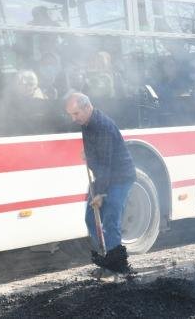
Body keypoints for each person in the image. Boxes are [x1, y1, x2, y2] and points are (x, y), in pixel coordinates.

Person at [64, 92, 136, 275]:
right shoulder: (86, 123)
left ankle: (118, 266)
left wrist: (100, 194)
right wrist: (88, 155)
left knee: (111, 219)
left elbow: (106, 164)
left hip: (119, 177)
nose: (73, 118)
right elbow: (97, 157)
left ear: (87, 107)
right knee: (90, 218)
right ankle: (107, 260)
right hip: (105, 176)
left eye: (76, 113)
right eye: (71, 114)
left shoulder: (103, 126)